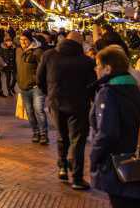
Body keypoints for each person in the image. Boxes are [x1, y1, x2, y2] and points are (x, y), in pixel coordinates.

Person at [88, 46, 140, 206]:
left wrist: (94, 156)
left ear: (108, 68)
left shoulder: (108, 93)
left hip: (119, 164)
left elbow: (107, 133)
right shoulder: (139, 89)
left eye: (98, 65)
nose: (96, 69)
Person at [38, 30, 94, 188]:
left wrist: (50, 94)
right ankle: (76, 178)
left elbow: (40, 78)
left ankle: (62, 166)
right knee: (78, 141)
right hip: (78, 105)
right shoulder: (86, 61)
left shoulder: (49, 55)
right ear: (80, 43)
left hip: (55, 102)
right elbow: (91, 85)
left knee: (62, 135)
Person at [16, 33, 47, 144]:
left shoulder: (37, 51)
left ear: (30, 40)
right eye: (21, 40)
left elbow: (43, 68)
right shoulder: (18, 51)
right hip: (24, 87)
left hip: (36, 87)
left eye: (25, 40)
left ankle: (44, 134)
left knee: (39, 110)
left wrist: (38, 81)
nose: (23, 42)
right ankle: (36, 132)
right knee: (29, 112)